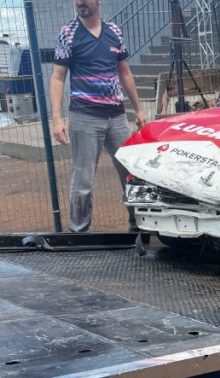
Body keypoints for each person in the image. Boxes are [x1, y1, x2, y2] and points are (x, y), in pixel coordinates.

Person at [50, 0, 146, 233]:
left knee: (131, 175)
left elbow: (125, 72)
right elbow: (58, 77)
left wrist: (139, 109)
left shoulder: (114, 32)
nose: (80, 2)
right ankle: (79, 232)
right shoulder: (68, 33)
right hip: (84, 117)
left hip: (117, 118)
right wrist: (57, 118)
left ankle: (139, 227)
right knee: (82, 181)